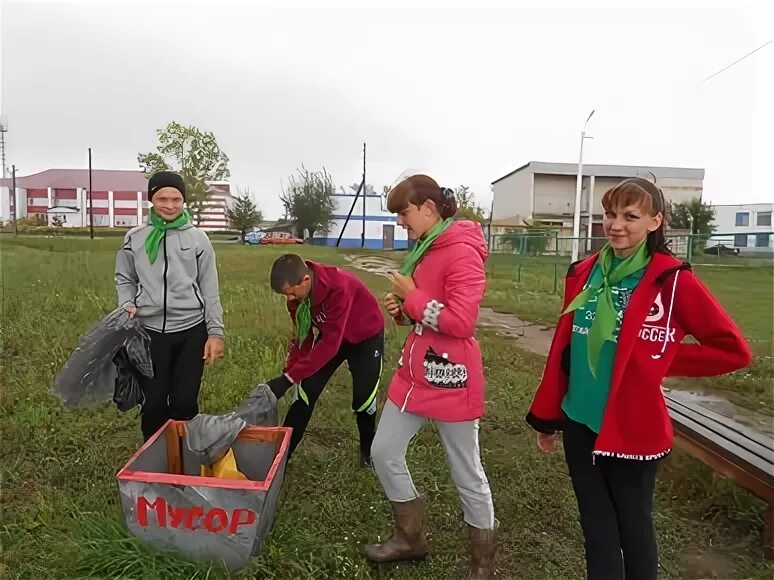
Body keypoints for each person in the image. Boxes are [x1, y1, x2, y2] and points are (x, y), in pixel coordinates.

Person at [526, 177, 752, 580]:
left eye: (630, 216)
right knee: (596, 531)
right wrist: (548, 417)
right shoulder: (586, 271)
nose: (616, 225)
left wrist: (659, 359)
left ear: (654, 221)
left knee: (633, 530)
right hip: (579, 420)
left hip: (633, 427)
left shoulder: (672, 280)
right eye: (609, 214)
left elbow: (732, 349)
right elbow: (567, 347)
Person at [364, 174, 497, 580]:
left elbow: (461, 322)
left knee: (466, 472)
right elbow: (427, 311)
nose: (401, 222)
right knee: (383, 452)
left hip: (452, 377)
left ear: (428, 207)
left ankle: (482, 565)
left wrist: (414, 297)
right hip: (414, 375)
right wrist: (404, 309)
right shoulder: (426, 247)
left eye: (404, 213)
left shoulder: (462, 252)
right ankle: (410, 538)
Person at [115, 171, 225, 440]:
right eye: (162, 198)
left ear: (183, 200)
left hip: (191, 331)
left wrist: (215, 333)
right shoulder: (135, 238)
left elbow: (210, 289)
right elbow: (124, 277)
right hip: (149, 332)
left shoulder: (199, 239)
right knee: (153, 403)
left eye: (176, 199)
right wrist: (127, 302)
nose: (170, 205)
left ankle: (182, 456)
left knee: (184, 403)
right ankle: (154, 461)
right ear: (151, 199)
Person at [265, 254, 385, 466]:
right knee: (306, 391)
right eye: (287, 294)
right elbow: (303, 336)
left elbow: (330, 345)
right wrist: (290, 372)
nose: (290, 299)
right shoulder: (297, 300)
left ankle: (367, 452)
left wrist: (288, 379)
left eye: (292, 293)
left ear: (306, 281)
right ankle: (282, 458)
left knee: (364, 400)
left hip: (365, 337)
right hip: (333, 334)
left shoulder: (339, 287)